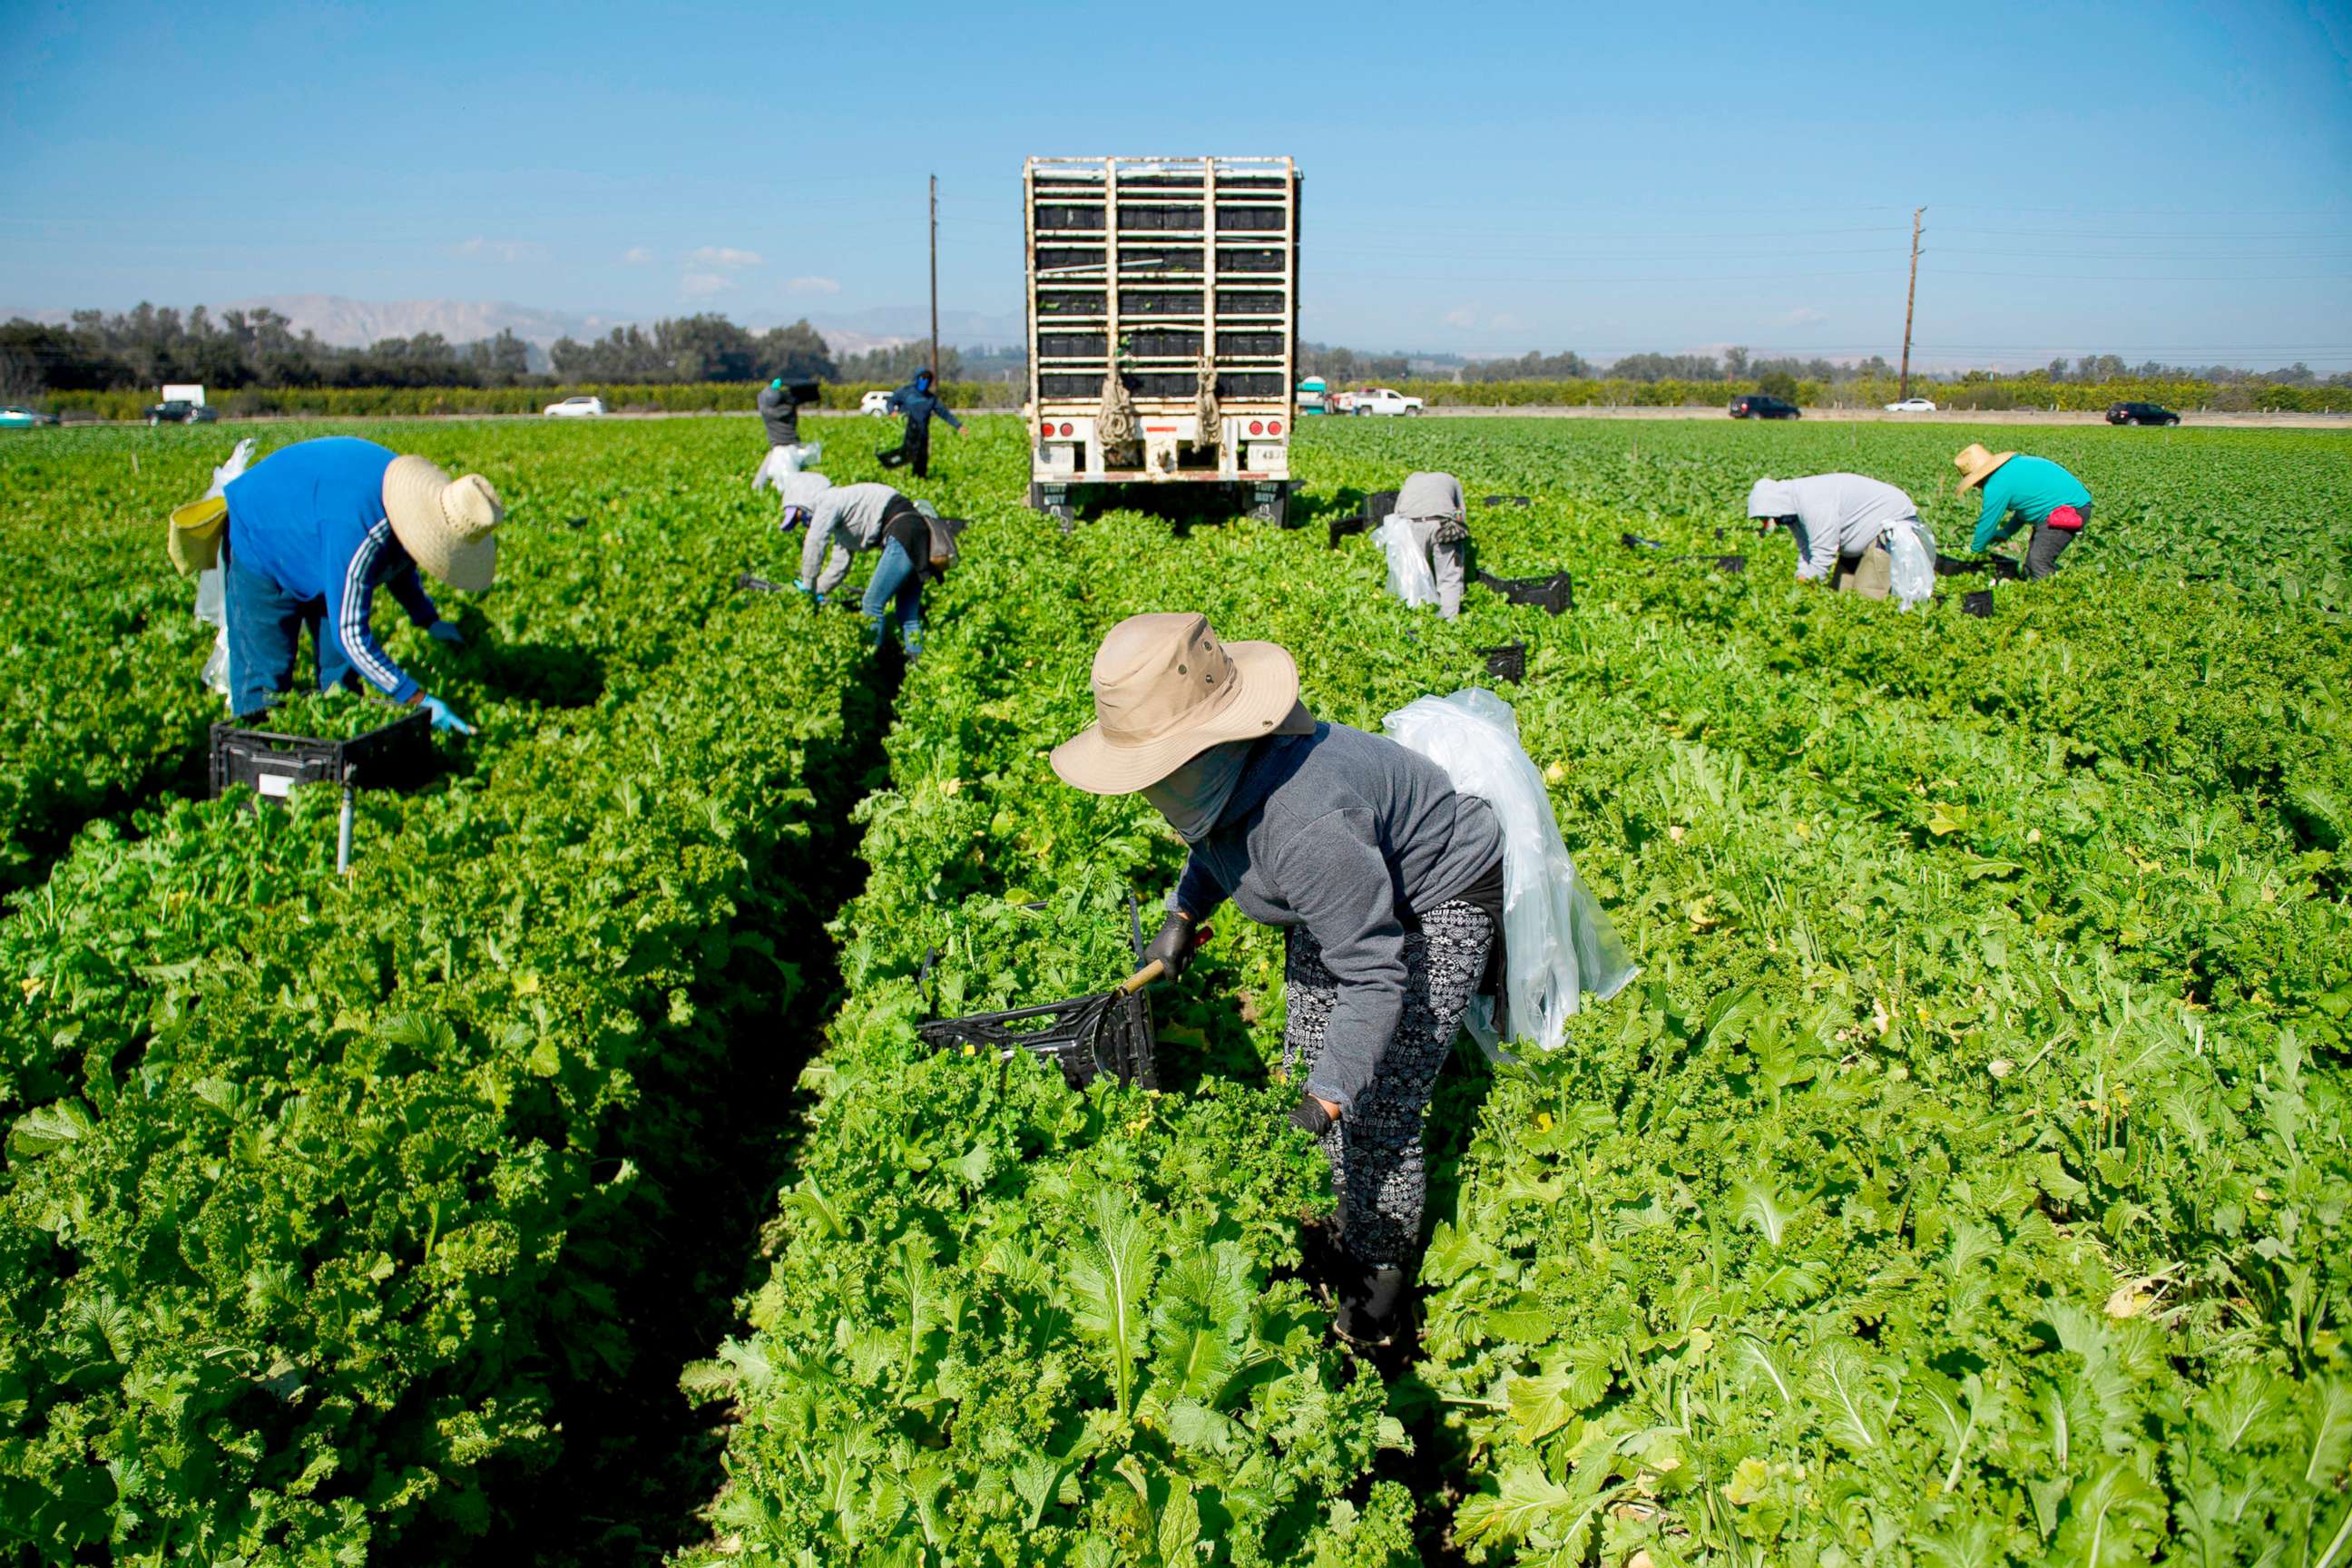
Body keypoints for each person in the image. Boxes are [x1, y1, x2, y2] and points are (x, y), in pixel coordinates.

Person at [1050, 612, 1506, 1347]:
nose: (1149, 786)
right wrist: (1186, 909)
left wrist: (1326, 1103)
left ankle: (1378, 1289)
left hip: (1436, 897)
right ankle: (1332, 1212)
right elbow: (1219, 837)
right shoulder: (1230, 779)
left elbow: (1376, 976)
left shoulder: (1304, 827)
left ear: (1215, 743)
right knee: (1312, 1060)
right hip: (1348, 891)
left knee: (1377, 1107)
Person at [219, 436, 497, 732]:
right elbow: (350, 635)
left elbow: (399, 563)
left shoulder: (408, 503)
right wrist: (416, 697)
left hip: (317, 527)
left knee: (341, 680)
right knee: (265, 684)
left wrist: (428, 620)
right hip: (263, 532)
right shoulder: (361, 528)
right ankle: (258, 765)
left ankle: (335, 762)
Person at [793, 475, 955, 657]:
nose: (804, 524)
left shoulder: (828, 502)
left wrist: (808, 584)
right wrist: (816, 591)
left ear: (804, 504)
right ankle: (919, 665)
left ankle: (874, 658)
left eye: (800, 518)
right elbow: (838, 567)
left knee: (872, 604)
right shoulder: (842, 518)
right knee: (907, 615)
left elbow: (815, 541)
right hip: (916, 533)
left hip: (903, 532)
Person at [1745, 472, 1935, 597]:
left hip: (1887, 527)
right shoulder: (1792, 510)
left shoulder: (1814, 503)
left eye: (1769, 518)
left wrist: (1806, 589)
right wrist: (1801, 576)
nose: (1770, 523)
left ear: (1776, 507)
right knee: (1840, 596)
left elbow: (1823, 552)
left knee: (1866, 598)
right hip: (1857, 537)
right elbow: (1806, 548)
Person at [1955, 444, 2092, 578]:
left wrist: (1975, 552)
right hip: (2071, 507)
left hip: (2066, 511)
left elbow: (1987, 522)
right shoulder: (2010, 469)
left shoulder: (1996, 484)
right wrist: (2007, 532)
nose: (1975, 486)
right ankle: (2052, 583)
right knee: (2031, 565)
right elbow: (2025, 509)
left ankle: (2052, 594)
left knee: (2039, 562)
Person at [1393, 471, 1470, 618]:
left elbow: (1397, 511)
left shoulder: (1410, 481)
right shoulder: (1451, 480)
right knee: (1449, 576)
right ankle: (1449, 620)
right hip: (1442, 525)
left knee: (1413, 573)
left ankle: (1414, 616)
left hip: (1410, 525)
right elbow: (1460, 512)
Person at [883, 368, 963, 478]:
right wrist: (892, 411)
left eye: (927, 379)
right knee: (904, 458)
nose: (924, 381)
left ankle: (919, 479)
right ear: (917, 378)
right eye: (922, 378)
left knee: (921, 459)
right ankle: (901, 478)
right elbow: (890, 401)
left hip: (922, 434)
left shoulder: (930, 398)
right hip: (907, 432)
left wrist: (958, 426)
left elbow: (944, 413)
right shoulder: (906, 391)